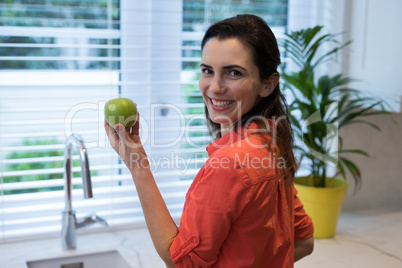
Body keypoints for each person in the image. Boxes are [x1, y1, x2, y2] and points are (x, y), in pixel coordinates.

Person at [105, 14, 314, 268]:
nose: (214, 87)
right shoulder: (271, 143)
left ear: (267, 84)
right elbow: (304, 241)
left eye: (233, 73)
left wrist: (137, 165)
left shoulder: (231, 164)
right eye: (207, 71)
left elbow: (180, 262)